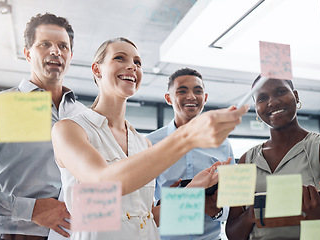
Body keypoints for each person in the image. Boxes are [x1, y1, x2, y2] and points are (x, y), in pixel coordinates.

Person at [50, 37, 249, 240]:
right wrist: (187, 137)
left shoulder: (142, 143)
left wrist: (194, 189)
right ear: (96, 69)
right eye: (120, 58)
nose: (132, 66)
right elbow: (103, 183)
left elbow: (146, 216)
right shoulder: (70, 130)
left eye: (137, 62)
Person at [0, 13, 86, 239]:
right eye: (45, 44)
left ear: (70, 56)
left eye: (63, 46)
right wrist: (30, 209)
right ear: (27, 53)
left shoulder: (85, 115)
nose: (56, 51)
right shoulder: (1, 106)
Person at [226, 77, 320, 240]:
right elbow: (232, 234)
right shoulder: (245, 160)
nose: (273, 102)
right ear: (256, 108)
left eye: (280, 92)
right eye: (262, 98)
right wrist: (251, 214)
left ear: (296, 96)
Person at [147, 67, 234, 240]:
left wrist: (217, 211)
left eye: (197, 91)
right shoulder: (151, 144)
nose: (191, 97)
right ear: (168, 98)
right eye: (182, 91)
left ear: (205, 98)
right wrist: (165, 204)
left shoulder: (222, 144)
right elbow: (141, 204)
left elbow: (235, 201)